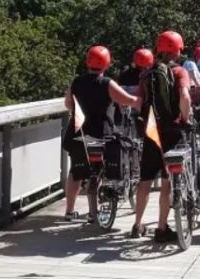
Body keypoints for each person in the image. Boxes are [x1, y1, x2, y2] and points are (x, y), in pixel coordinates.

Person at [63, 45, 142, 222]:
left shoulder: (76, 82)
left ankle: (69, 210)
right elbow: (127, 99)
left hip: (79, 132)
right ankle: (101, 201)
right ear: (106, 63)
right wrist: (141, 102)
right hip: (102, 133)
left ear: (87, 62)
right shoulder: (106, 83)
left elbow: (68, 103)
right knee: (104, 166)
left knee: (76, 170)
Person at [131, 31, 192, 242]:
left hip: (151, 131)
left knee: (145, 180)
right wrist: (185, 118)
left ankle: (137, 225)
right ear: (177, 49)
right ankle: (161, 228)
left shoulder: (147, 74)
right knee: (167, 182)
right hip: (172, 131)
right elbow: (185, 97)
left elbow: (138, 103)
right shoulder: (179, 72)